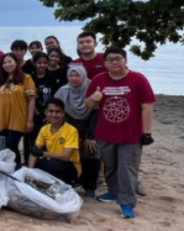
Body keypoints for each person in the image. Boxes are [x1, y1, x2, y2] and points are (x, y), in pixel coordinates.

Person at [85, 46, 155, 219]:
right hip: (106, 132)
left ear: (125, 60)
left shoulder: (138, 79)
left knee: (127, 168)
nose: (114, 62)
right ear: (105, 63)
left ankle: (126, 203)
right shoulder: (99, 79)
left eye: (118, 59)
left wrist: (147, 133)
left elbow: (147, 107)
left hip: (131, 134)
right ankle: (114, 191)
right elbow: (88, 104)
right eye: (110, 59)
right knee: (110, 166)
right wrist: (94, 98)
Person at [55, 64, 101, 198]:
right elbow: (60, 110)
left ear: (84, 75)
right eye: (71, 75)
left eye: (77, 75)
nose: (74, 78)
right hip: (71, 125)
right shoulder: (64, 90)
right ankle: (75, 181)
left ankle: (90, 186)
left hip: (90, 125)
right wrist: (75, 136)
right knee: (70, 153)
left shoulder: (92, 89)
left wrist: (90, 136)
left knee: (91, 153)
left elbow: (96, 113)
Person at [0, 53, 36, 165]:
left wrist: (30, 120)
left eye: (9, 62)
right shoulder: (1, 81)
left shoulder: (26, 78)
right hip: (4, 120)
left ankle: (16, 170)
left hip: (18, 119)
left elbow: (31, 100)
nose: (7, 65)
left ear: (16, 63)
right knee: (6, 148)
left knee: (11, 147)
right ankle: (12, 169)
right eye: (4, 63)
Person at [27, 99, 81, 184]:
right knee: (25, 166)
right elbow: (34, 152)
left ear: (63, 113)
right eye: (51, 111)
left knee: (52, 166)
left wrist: (43, 153)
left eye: (57, 112)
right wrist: (30, 173)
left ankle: (67, 184)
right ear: (46, 112)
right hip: (51, 162)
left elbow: (66, 157)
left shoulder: (71, 130)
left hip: (71, 166)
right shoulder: (44, 129)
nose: (54, 115)